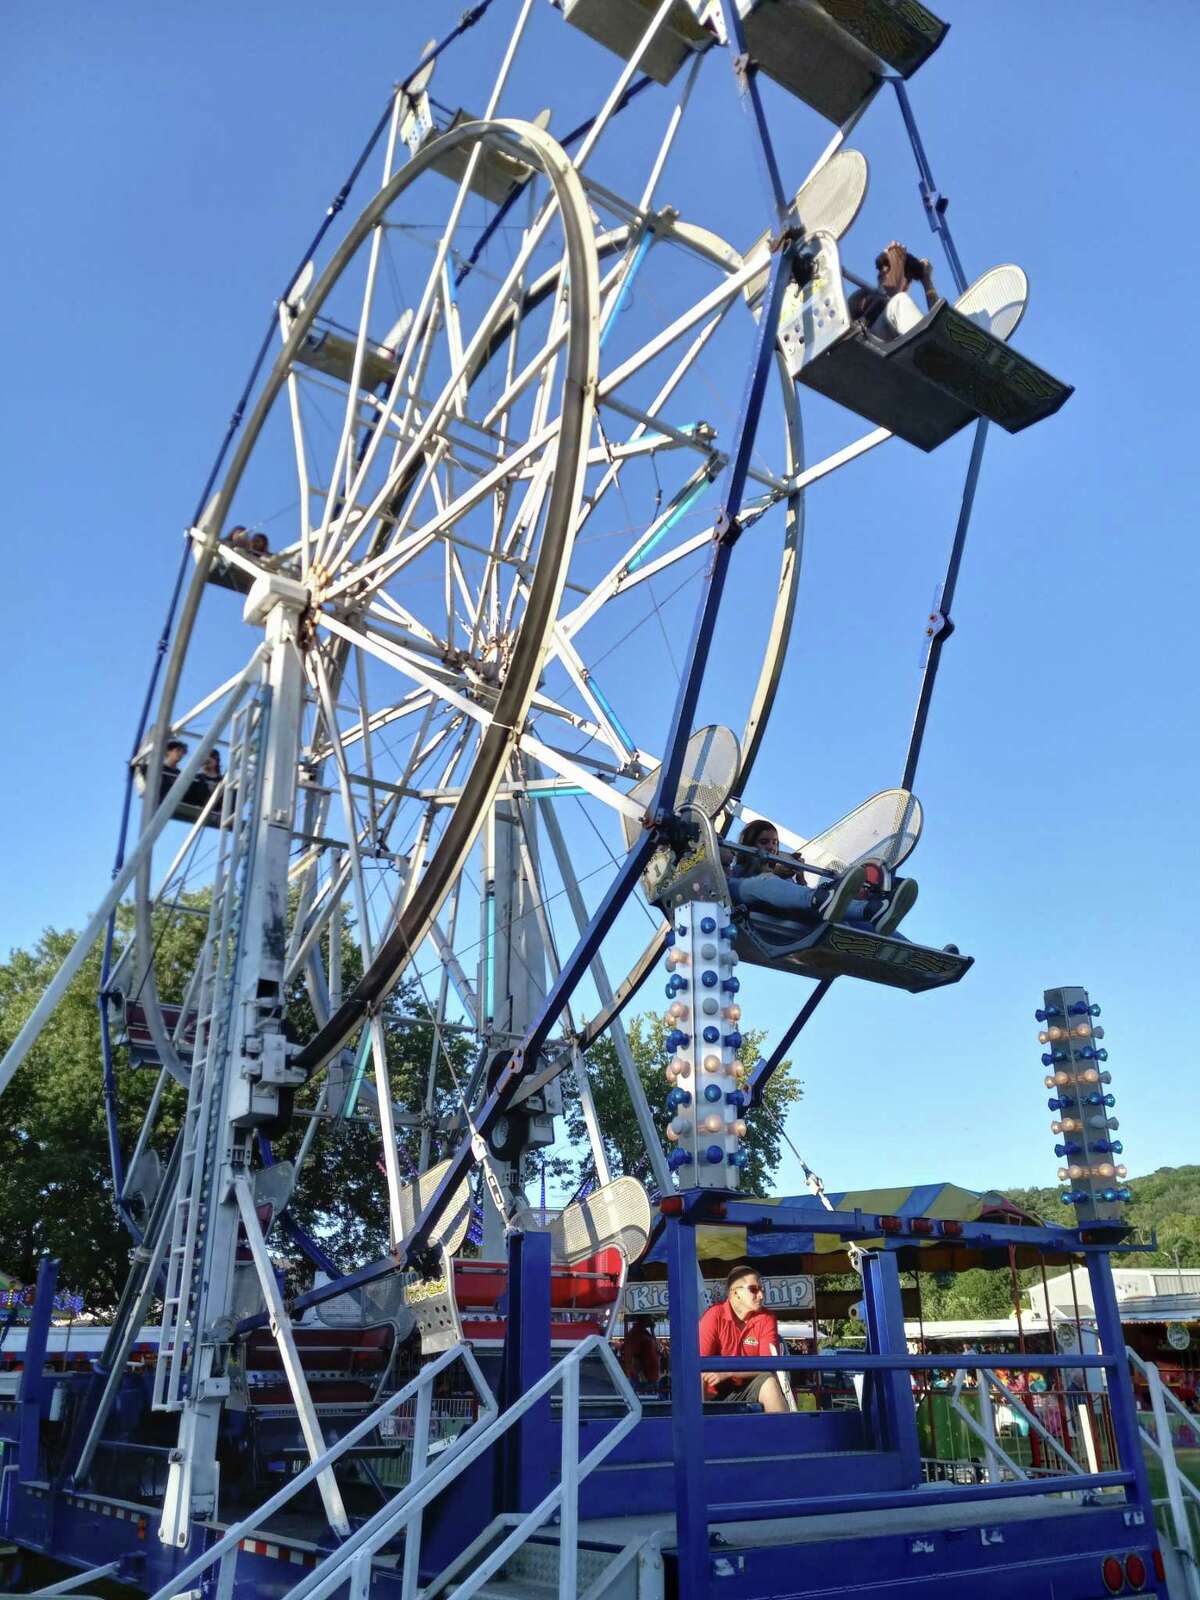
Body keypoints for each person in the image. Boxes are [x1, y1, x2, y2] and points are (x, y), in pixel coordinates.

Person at [729, 818, 917, 937]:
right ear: (749, 843)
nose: (771, 847)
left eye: (775, 843)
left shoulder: (780, 871)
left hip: (798, 911)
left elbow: (795, 893)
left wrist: (800, 877)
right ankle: (826, 900)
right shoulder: (739, 873)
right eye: (764, 842)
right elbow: (752, 884)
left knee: (852, 915)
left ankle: (878, 912)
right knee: (765, 882)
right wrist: (775, 873)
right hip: (754, 906)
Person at [699, 1264, 791, 1414]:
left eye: (762, 1289)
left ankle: (783, 1434)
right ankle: (698, 1430)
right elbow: (698, 1366)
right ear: (735, 1294)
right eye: (754, 1289)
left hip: (750, 1387)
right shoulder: (713, 1316)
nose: (761, 1295)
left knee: (769, 1381)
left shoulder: (767, 1317)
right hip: (714, 1394)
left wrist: (728, 1372)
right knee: (697, 1378)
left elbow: (767, 1364)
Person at [848, 240, 938, 343]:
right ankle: (927, 346)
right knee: (899, 301)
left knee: (901, 302)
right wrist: (896, 257)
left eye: (890, 266)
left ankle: (929, 347)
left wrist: (927, 282)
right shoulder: (863, 295)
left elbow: (939, 321)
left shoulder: (901, 312)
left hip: (893, 350)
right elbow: (887, 292)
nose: (883, 270)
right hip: (862, 343)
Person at [621, 1316, 662, 1388]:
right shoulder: (637, 1333)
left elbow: (657, 1348)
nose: (652, 1321)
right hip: (645, 1375)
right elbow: (635, 1354)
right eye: (650, 1318)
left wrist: (652, 1331)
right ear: (645, 1320)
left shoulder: (644, 1332)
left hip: (650, 1373)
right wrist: (640, 1372)